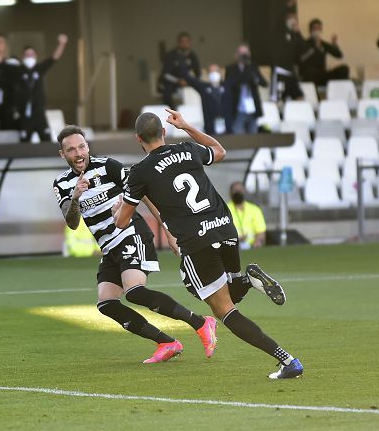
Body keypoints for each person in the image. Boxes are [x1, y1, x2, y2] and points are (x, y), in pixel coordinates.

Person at [115, 108, 303, 379]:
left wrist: (122, 205)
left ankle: (287, 360)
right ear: (164, 132)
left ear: (138, 139)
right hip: (225, 229)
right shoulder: (188, 149)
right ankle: (247, 280)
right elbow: (219, 150)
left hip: (196, 240)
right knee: (229, 293)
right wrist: (187, 126)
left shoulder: (140, 172)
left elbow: (122, 222)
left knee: (224, 309)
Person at [54, 125, 217, 363]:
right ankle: (167, 342)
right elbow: (71, 221)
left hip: (131, 233)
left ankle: (201, 323)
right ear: (63, 155)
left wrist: (167, 230)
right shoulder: (62, 184)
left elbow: (144, 192)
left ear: (87, 146)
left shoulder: (107, 166)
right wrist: (76, 196)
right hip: (109, 247)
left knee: (134, 291)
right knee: (106, 303)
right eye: (71, 150)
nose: (78, 153)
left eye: (81, 146)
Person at [16, 34, 69, 143]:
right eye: (27, 55)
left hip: (39, 112)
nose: (29, 57)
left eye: (31, 54)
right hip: (25, 114)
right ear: (23, 57)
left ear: (35, 56)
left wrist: (62, 43)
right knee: (24, 141)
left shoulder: (39, 68)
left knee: (46, 140)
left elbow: (54, 58)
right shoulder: (18, 70)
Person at [223, 43, 268, 134]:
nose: (244, 56)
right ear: (236, 55)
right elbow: (228, 85)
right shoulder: (230, 68)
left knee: (253, 136)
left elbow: (264, 83)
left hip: (252, 108)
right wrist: (246, 72)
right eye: (242, 53)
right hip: (238, 108)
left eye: (246, 53)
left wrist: (254, 75)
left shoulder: (253, 67)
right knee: (238, 136)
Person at [297, 19, 349, 88]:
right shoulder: (304, 44)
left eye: (319, 28)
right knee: (309, 73)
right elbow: (300, 60)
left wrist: (334, 45)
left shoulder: (323, 44)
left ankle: (338, 94)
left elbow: (339, 55)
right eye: (315, 28)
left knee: (344, 69)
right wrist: (315, 48)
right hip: (310, 77)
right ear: (310, 30)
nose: (317, 30)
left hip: (322, 75)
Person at [158, 32, 201, 108]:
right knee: (167, 93)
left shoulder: (192, 55)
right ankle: (172, 114)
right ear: (178, 43)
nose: (185, 44)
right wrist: (178, 81)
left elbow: (197, 73)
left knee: (202, 89)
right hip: (172, 83)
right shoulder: (171, 55)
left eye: (187, 42)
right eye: (182, 42)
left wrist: (191, 80)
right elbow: (166, 74)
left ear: (190, 42)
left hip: (188, 81)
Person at [270, 11, 306, 102]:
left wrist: (298, 32)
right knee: (277, 98)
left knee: (299, 96)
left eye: (294, 18)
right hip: (280, 72)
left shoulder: (295, 35)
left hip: (291, 72)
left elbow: (304, 49)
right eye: (290, 18)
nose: (293, 21)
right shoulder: (279, 33)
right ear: (285, 20)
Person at [182, 64, 225, 136]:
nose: (214, 73)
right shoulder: (204, 87)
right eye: (211, 71)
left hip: (227, 125)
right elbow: (189, 79)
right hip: (210, 129)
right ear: (208, 74)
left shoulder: (227, 86)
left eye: (216, 71)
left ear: (220, 72)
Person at [227, 181, 266, 250]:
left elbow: (261, 232)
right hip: (232, 248)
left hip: (252, 248)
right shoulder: (225, 210)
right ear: (230, 193)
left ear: (244, 191)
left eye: (240, 190)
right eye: (235, 190)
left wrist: (258, 241)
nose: (238, 192)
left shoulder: (255, 209)